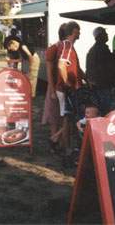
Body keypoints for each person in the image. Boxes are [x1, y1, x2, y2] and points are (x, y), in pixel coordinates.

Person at [55, 21, 85, 166]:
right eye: (78, 31)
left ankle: (59, 142)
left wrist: (84, 78)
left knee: (69, 118)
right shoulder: (67, 45)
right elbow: (61, 65)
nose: (80, 33)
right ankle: (66, 150)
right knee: (69, 118)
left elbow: (74, 67)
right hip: (67, 88)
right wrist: (67, 82)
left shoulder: (68, 46)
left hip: (70, 87)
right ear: (74, 31)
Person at [42, 23, 67, 153]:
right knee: (54, 117)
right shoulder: (54, 48)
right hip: (54, 87)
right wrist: (51, 90)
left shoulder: (66, 48)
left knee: (62, 116)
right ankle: (54, 141)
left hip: (63, 88)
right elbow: (49, 72)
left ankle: (58, 142)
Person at [86, 26, 115, 115]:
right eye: (105, 33)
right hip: (103, 85)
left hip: (96, 85)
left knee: (100, 108)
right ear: (100, 36)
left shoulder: (93, 50)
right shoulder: (102, 50)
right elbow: (109, 66)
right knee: (105, 110)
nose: (107, 35)